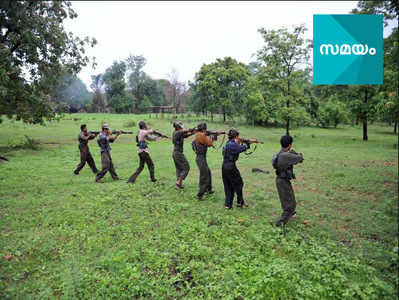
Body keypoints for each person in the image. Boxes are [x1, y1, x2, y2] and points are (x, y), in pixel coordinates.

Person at [221, 128, 257, 209]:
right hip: (230, 166)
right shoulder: (233, 145)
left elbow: (238, 146)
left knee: (228, 185)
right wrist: (248, 143)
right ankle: (240, 202)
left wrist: (243, 142)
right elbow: (243, 148)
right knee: (239, 183)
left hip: (224, 166)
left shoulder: (229, 143)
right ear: (236, 136)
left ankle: (228, 205)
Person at [272, 135, 303, 227]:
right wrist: (296, 153)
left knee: (290, 199)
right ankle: (280, 224)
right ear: (290, 145)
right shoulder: (286, 155)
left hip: (282, 180)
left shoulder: (281, 153)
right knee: (289, 205)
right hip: (283, 181)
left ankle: (291, 213)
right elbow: (300, 158)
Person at [193, 122, 222, 200]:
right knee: (204, 176)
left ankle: (208, 190)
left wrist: (215, 134)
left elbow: (206, 138)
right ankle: (200, 194)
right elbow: (209, 143)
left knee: (208, 172)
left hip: (201, 158)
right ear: (204, 129)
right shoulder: (201, 135)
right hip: (201, 158)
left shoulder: (199, 134)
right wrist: (213, 137)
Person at [172, 121, 196, 189]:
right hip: (178, 153)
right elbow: (185, 131)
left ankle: (179, 184)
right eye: (180, 125)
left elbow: (186, 135)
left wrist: (193, 132)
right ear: (178, 127)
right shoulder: (177, 132)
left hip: (176, 153)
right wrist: (193, 129)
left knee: (179, 169)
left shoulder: (178, 133)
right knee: (186, 167)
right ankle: (179, 181)